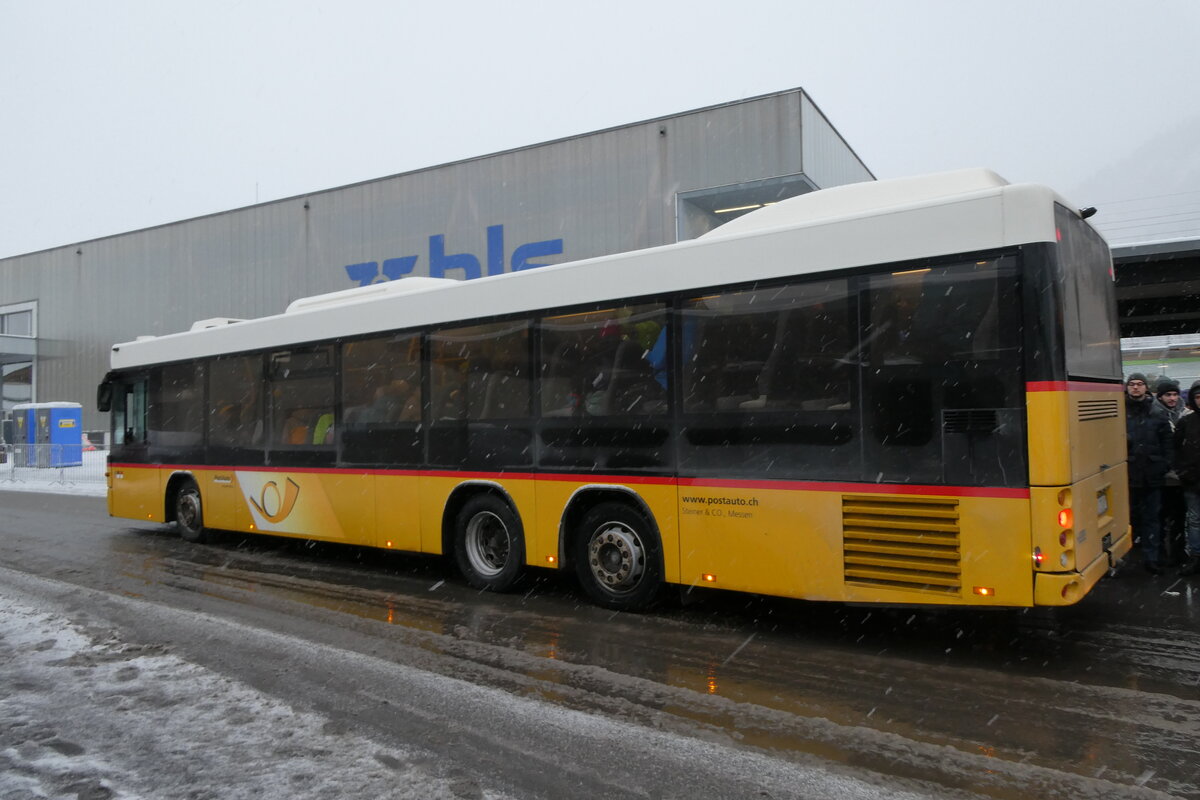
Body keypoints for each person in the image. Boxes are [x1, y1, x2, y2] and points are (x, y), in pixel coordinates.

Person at [1125, 373, 1173, 574]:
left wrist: (1163, 465)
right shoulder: (1119, 412)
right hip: (1127, 476)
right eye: (1132, 384)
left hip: (1152, 475)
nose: (1136, 387)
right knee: (1127, 520)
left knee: (1152, 518)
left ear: (1146, 387)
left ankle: (1151, 559)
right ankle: (1125, 559)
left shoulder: (1157, 413)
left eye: (1139, 384)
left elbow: (1167, 444)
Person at [1156, 378, 1188, 564]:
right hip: (1163, 476)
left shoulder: (1184, 415)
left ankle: (1177, 552)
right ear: (1160, 397)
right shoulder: (1156, 415)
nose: (1172, 398)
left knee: (1179, 516)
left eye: (1175, 394)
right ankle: (1162, 553)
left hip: (1181, 475)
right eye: (1168, 394)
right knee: (1162, 516)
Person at [1171, 379, 1200, 576]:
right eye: (1198, 397)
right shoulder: (1186, 421)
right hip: (1193, 481)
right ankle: (1196, 558)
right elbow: (1174, 449)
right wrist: (1182, 471)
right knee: (1194, 521)